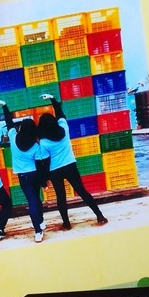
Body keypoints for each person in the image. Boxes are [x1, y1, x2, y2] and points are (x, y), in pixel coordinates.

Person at [36, 95, 108, 228]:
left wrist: (44, 180)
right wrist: (53, 99)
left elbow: (45, 162)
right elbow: (60, 114)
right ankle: (100, 216)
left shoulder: (44, 142)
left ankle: (66, 223)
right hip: (70, 166)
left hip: (54, 171)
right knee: (82, 191)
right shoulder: (64, 129)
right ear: (54, 122)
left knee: (61, 197)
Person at [0, 99, 50, 242]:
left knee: (32, 201)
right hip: (35, 175)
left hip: (23, 177)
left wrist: (5, 106)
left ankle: (38, 231)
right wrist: (44, 182)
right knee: (36, 198)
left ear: (21, 128)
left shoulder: (13, 138)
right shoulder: (35, 145)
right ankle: (40, 223)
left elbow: (9, 122)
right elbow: (40, 165)